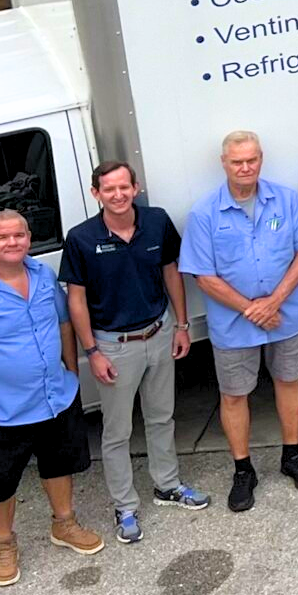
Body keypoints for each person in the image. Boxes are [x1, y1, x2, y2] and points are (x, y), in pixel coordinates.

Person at [0, 209, 103, 585]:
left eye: (19, 235)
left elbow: (64, 323)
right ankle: (4, 543)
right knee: (0, 483)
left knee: (58, 464)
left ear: (28, 239)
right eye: (2, 237)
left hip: (55, 398)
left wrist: (71, 372)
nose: (12, 242)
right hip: (5, 412)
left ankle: (64, 524)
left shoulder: (44, 276)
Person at [60, 161, 207, 545]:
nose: (118, 195)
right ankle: (124, 506)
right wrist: (92, 351)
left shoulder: (157, 222)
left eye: (124, 187)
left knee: (161, 417)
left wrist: (182, 325)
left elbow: (171, 272)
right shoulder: (80, 238)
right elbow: (76, 300)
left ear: (136, 187)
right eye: (109, 189)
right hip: (113, 346)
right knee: (118, 431)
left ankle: (168, 486)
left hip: (159, 333)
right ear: (96, 194)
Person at [182, 130, 298, 512]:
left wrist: (274, 301)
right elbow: (203, 276)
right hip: (234, 323)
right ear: (223, 163)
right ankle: (243, 470)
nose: (245, 168)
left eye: (252, 160)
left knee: (289, 381)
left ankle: (291, 456)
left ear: (261, 159)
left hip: (284, 316)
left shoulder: (286, 200)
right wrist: (251, 308)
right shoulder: (204, 213)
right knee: (233, 395)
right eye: (237, 161)